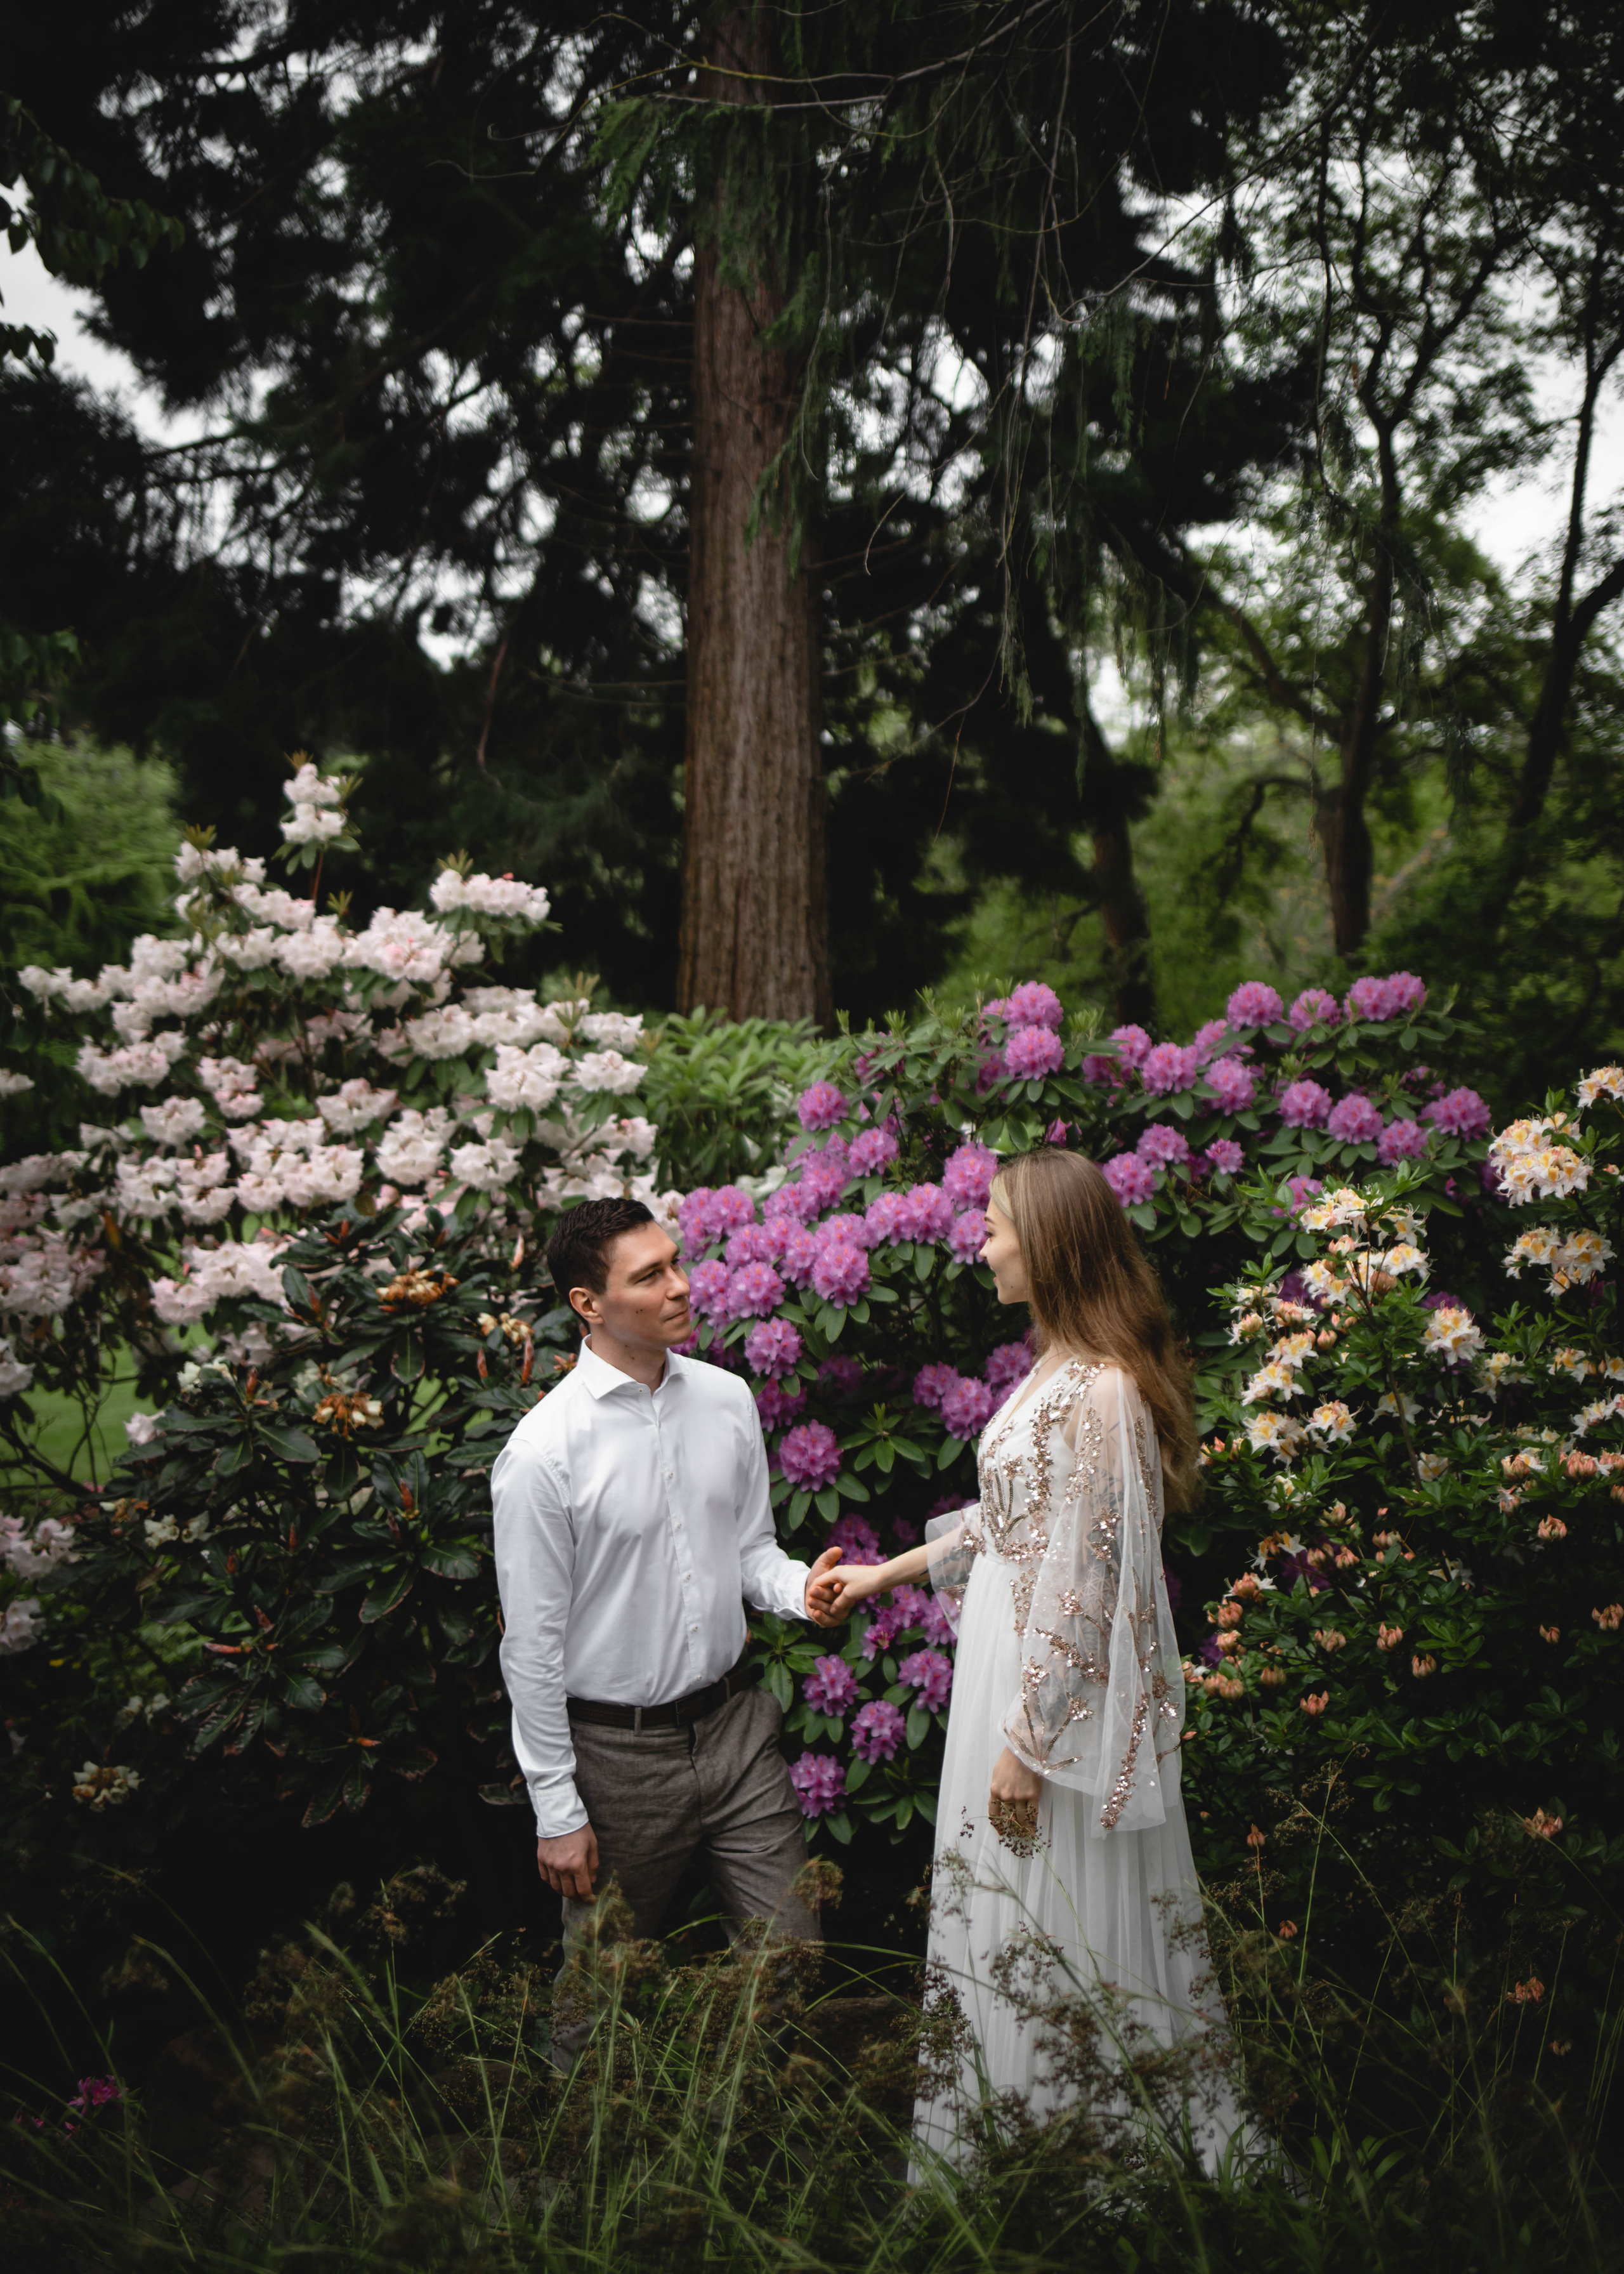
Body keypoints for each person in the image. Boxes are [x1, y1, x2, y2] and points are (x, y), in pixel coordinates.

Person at [825, 1148, 1234, 2167]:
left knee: (1053, 1900)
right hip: (1005, 1662)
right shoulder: (1052, 1368)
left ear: (1047, 1245)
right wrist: (883, 1575)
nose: (983, 1246)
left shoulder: (1103, 1390)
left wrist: (1030, 1742)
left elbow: (1092, 1582)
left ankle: (1089, 2150)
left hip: (1043, 1691)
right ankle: (1011, 2133)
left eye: (996, 1228)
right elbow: (1009, 1523)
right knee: (1002, 1901)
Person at [491, 1195, 844, 2056]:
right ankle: (579, 2139)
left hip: (736, 1733)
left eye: (676, 1262)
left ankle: (759, 2131)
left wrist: (800, 1590)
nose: (682, 1286)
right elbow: (530, 1650)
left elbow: (751, 1550)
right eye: (649, 1276)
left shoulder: (725, 1400)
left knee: (791, 1961)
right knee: (599, 2003)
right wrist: (556, 1810)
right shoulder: (542, 1455)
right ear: (588, 1304)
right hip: (618, 1763)